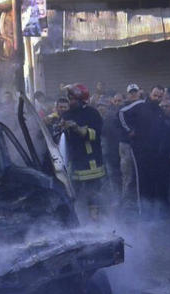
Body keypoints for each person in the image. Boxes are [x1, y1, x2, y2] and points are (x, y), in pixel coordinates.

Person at [60, 84, 107, 220]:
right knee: (74, 196)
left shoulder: (92, 113)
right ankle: (77, 221)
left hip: (90, 163)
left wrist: (77, 128)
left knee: (93, 196)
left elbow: (95, 134)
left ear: (81, 100)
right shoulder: (67, 114)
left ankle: (95, 222)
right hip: (74, 163)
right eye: (69, 98)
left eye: (72, 98)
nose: (70, 101)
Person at [120, 85, 169, 216]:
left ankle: (153, 211)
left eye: (159, 96)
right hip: (140, 151)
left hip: (155, 152)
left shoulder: (159, 111)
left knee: (154, 181)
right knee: (141, 182)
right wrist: (129, 130)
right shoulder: (140, 105)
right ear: (150, 94)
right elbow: (121, 113)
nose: (157, 98)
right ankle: (142, 211)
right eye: (155, 95)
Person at [117, 83, 143, 208]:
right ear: (127, 94)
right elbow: (121, 120)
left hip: (139, 145)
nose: (133, 94)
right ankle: (125, 204)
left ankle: (136, 203)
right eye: (131, 92)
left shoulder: (143, 106)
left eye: (135, 91)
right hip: (126, 145)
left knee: (137, 175)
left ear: (139, 92)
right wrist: (129, 131)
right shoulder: (123, 108)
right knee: (128, 175)